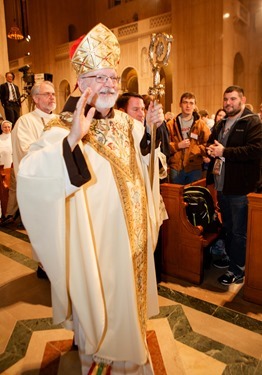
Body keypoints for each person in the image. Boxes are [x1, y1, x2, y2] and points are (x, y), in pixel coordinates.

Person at [17, 23, 166, 374]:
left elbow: (142, 159)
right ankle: (99, 357)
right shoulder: (60, 126)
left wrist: (154, 132)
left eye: (113, 78)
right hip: (98, 245)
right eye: (100, 78)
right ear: (82, 83)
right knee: (100, 301)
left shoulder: (125, 123)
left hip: (133, 238)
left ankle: (129, 353)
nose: (110, 86)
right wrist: (72, 140)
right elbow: (32, 175)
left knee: (130, 302)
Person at [206, 85, 262, 285]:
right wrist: (210, 150)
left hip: (240, 187)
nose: (228, 103)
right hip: (222, 185)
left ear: (242, 100)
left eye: (232, 99)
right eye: (225, 99)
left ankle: (238, 270)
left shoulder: (251, 121)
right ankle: (232, 260)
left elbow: (255, 150)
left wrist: (224, 152)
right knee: (228, 227)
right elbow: (211, 142)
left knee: (239, 231)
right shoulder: (222, 123)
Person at [166, 92, 211, 184]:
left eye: (191, 103)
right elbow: (164, 146)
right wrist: (178, 145)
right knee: (176, 196)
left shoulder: (201, 125)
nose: (188, 106)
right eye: (185, 102)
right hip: (176, 166)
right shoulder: (170, 125)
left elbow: (208, 143)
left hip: (194, 166)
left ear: (194, 106)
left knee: (193, 196)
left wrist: (196, 149)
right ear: (180, 104)